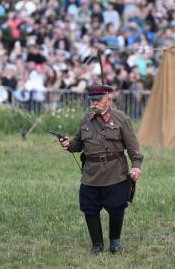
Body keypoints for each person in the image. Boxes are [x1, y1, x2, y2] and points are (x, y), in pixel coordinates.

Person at [59, 83, 143, 255]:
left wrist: (136, 166)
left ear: (108, 99)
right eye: (92, 100)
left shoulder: (121, 119)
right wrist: (69, 145)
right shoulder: (86, 120)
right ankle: (97, 244)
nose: (94, 103)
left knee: (116, 208)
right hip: (91, 174)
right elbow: (78, 144)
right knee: (89, 210)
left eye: (98, 100)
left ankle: (115, 241)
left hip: (115, 173)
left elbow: (133, 147)